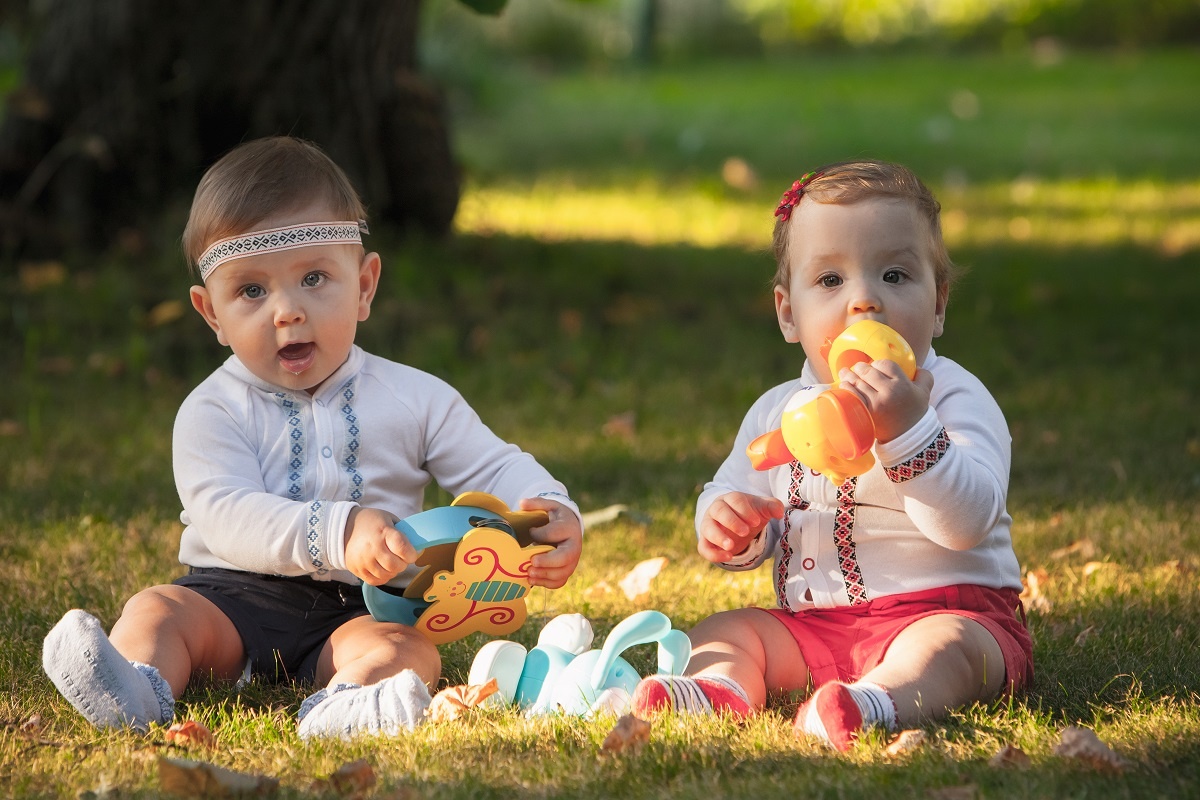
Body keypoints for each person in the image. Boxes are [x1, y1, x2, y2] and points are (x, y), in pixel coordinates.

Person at [42, 136, 584, 739]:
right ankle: (138, 687)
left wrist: (545, 508)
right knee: (158, 610)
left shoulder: (415, 397)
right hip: (229, 598)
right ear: (210, 314)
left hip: (359, 608)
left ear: (365, 285)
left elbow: (491, 466)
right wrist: (341, 529)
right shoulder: (211, 410)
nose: (286, 311)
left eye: (315, 278)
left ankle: (347, 704)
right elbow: (224, 513)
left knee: (410, 651)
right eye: (251, 291)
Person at [630, 161, 1032, 751]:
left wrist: (909, 430)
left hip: (946, 611)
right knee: (725, 630)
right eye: (829, 281)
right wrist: (730, 524)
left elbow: (968, 523)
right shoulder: (777, 410)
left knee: (947, 650)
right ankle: (723, 690)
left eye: (895, 275)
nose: (864, 301)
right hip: (814, 626)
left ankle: (879, 702)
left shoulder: (952, 397)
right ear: (788, 312)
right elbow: (740, 492)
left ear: (939, 303)